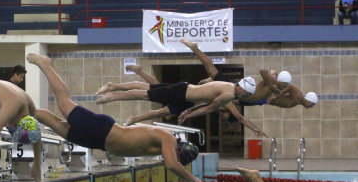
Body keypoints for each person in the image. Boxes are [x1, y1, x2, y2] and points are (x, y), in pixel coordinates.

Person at [26, 52, 209, 182]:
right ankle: (44, 64)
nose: (173, 158)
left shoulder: (166, 146)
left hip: (99, 142)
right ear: (178, 150)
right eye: (177, 157)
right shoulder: (167, 138)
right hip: (103, 130)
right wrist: (193, 179)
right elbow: (172, 164)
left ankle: (23, 110)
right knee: (64, 103)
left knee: (55, 124)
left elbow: (174, 164)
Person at [96, 65, 257, 126]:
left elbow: (207, 105)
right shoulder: (229, 95)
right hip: (182, 93)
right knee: (145, 94)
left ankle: (113, 89)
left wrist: (189, 112)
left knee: (149, 88)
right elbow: (209, 108)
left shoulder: (228, 86)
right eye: (247, 94)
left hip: (184, 93)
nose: (245, 97)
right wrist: (189, 113)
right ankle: (112, 96)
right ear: (243, 89)